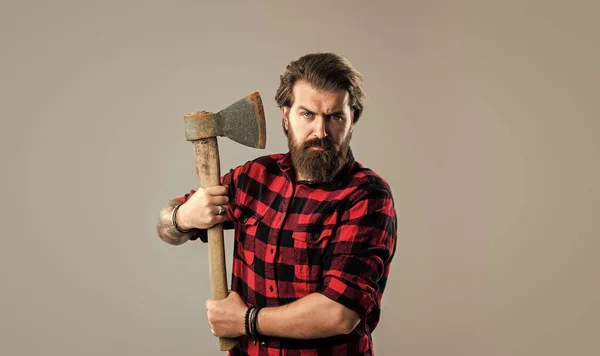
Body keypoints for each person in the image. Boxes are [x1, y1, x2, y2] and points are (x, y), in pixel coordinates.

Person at [156, 52, 397, 356]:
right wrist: (182, 218)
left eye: (334, 116)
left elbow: (339, 313)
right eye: (307, 114)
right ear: (286, 115)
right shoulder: (255, 178)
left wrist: (246, 321)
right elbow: (165, 226)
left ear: (353, 119)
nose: (320, 132)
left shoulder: (366, 195)